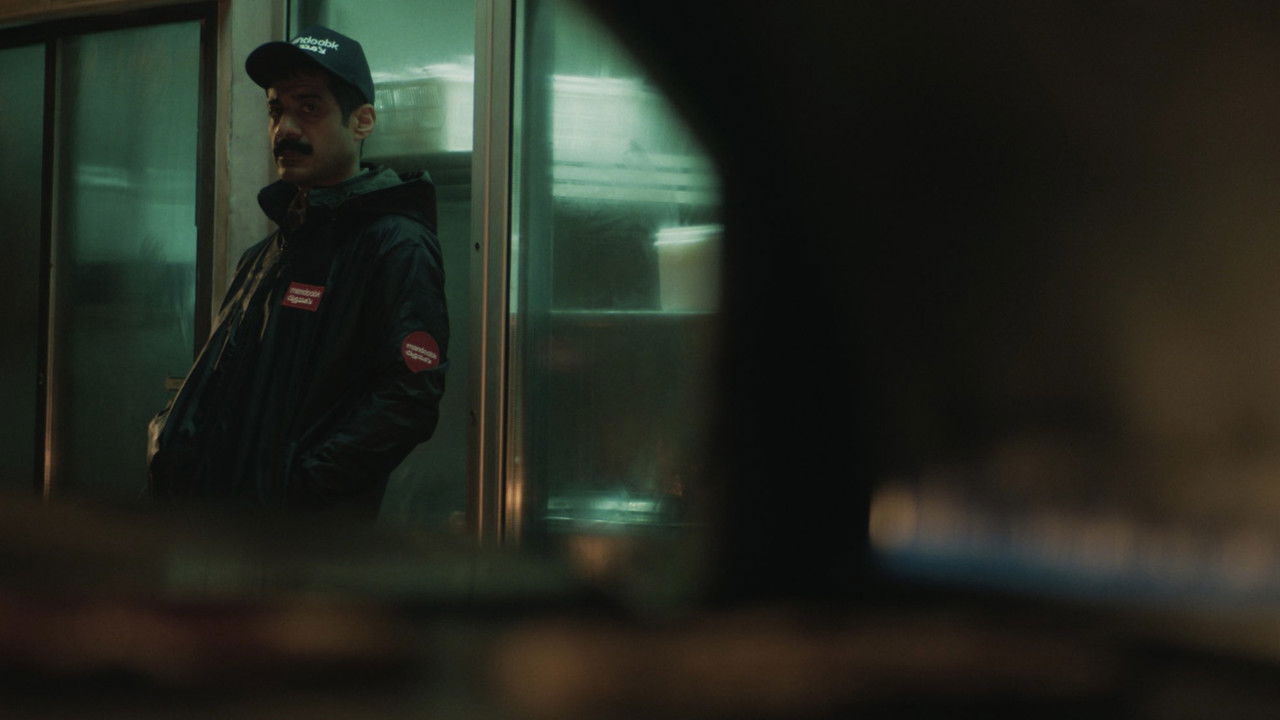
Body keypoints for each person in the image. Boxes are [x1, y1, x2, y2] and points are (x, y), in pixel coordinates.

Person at [146, 25, 448, 521]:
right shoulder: (268, 252)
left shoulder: (395, 245)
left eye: (309, 107)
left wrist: (300, 487)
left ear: (362, 122)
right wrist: (169, 432)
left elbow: (409, 397)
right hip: (221, 532)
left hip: (299, 542)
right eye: (275, 110)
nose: (284, 128)